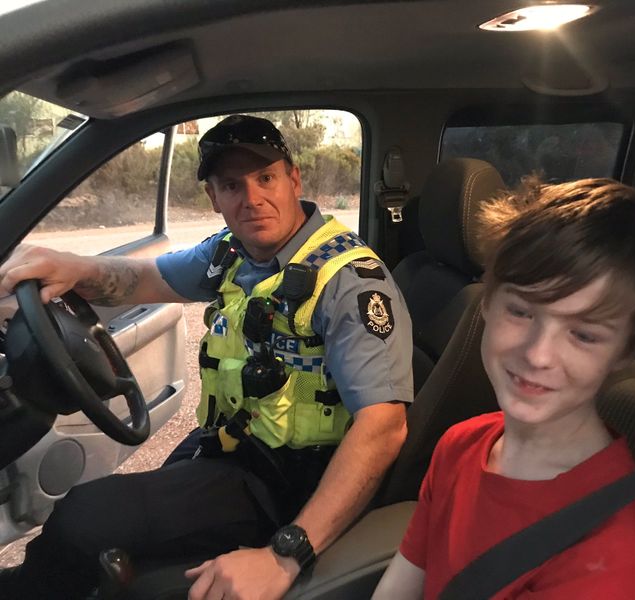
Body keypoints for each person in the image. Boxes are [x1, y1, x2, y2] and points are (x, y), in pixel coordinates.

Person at [0, 115, 412, 600]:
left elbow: (384, 426)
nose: (252, 198)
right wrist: (72, 268)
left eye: (266, 178)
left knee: (82, 517)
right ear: (213, 198)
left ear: (293, 179)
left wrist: (287, 554)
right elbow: (143, 279)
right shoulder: (232, 253)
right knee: (109, 533)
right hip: (230, 449)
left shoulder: (349, 281)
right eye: (231, 185)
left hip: (285, 484)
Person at [373, 177, 635, 599]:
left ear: (625, 351)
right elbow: (401, 586)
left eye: (585, 335)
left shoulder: (623, 553)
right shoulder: (460, 445)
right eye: (521, 311)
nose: (538, 354)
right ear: (485, 302)